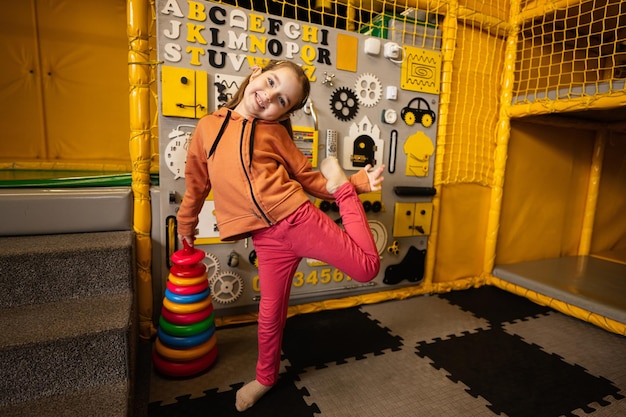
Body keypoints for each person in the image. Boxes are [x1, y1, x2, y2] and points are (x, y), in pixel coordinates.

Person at [176, 60, 384, 412]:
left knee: (366, 268)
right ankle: (265, 377)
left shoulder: (275, 134)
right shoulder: (207, 128)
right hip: (266, 239)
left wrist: (354, 185)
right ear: (256, 72)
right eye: (270, 83)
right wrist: (186, 224)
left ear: (285, 112)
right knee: (270, 312)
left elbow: (310, 179)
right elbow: (197, 183)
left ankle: (346, 195)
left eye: (282, 100)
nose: (269, 96)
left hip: (298, 219)